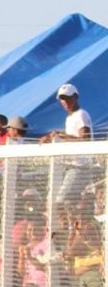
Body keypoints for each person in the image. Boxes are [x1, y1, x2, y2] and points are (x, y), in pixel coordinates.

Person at [41, 83, 95, 218]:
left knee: (59, 201)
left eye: (67, 98)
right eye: (62, 99)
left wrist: (62, 136)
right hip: (71, 166)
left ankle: (65, 228)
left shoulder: (81, 114)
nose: (64, 102)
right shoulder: (70, 118)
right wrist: (54, 136)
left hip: (80, 167)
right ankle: (74, 227)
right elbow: (71, 137)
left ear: (76, 97)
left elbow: (85, 139)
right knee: (69, 203)